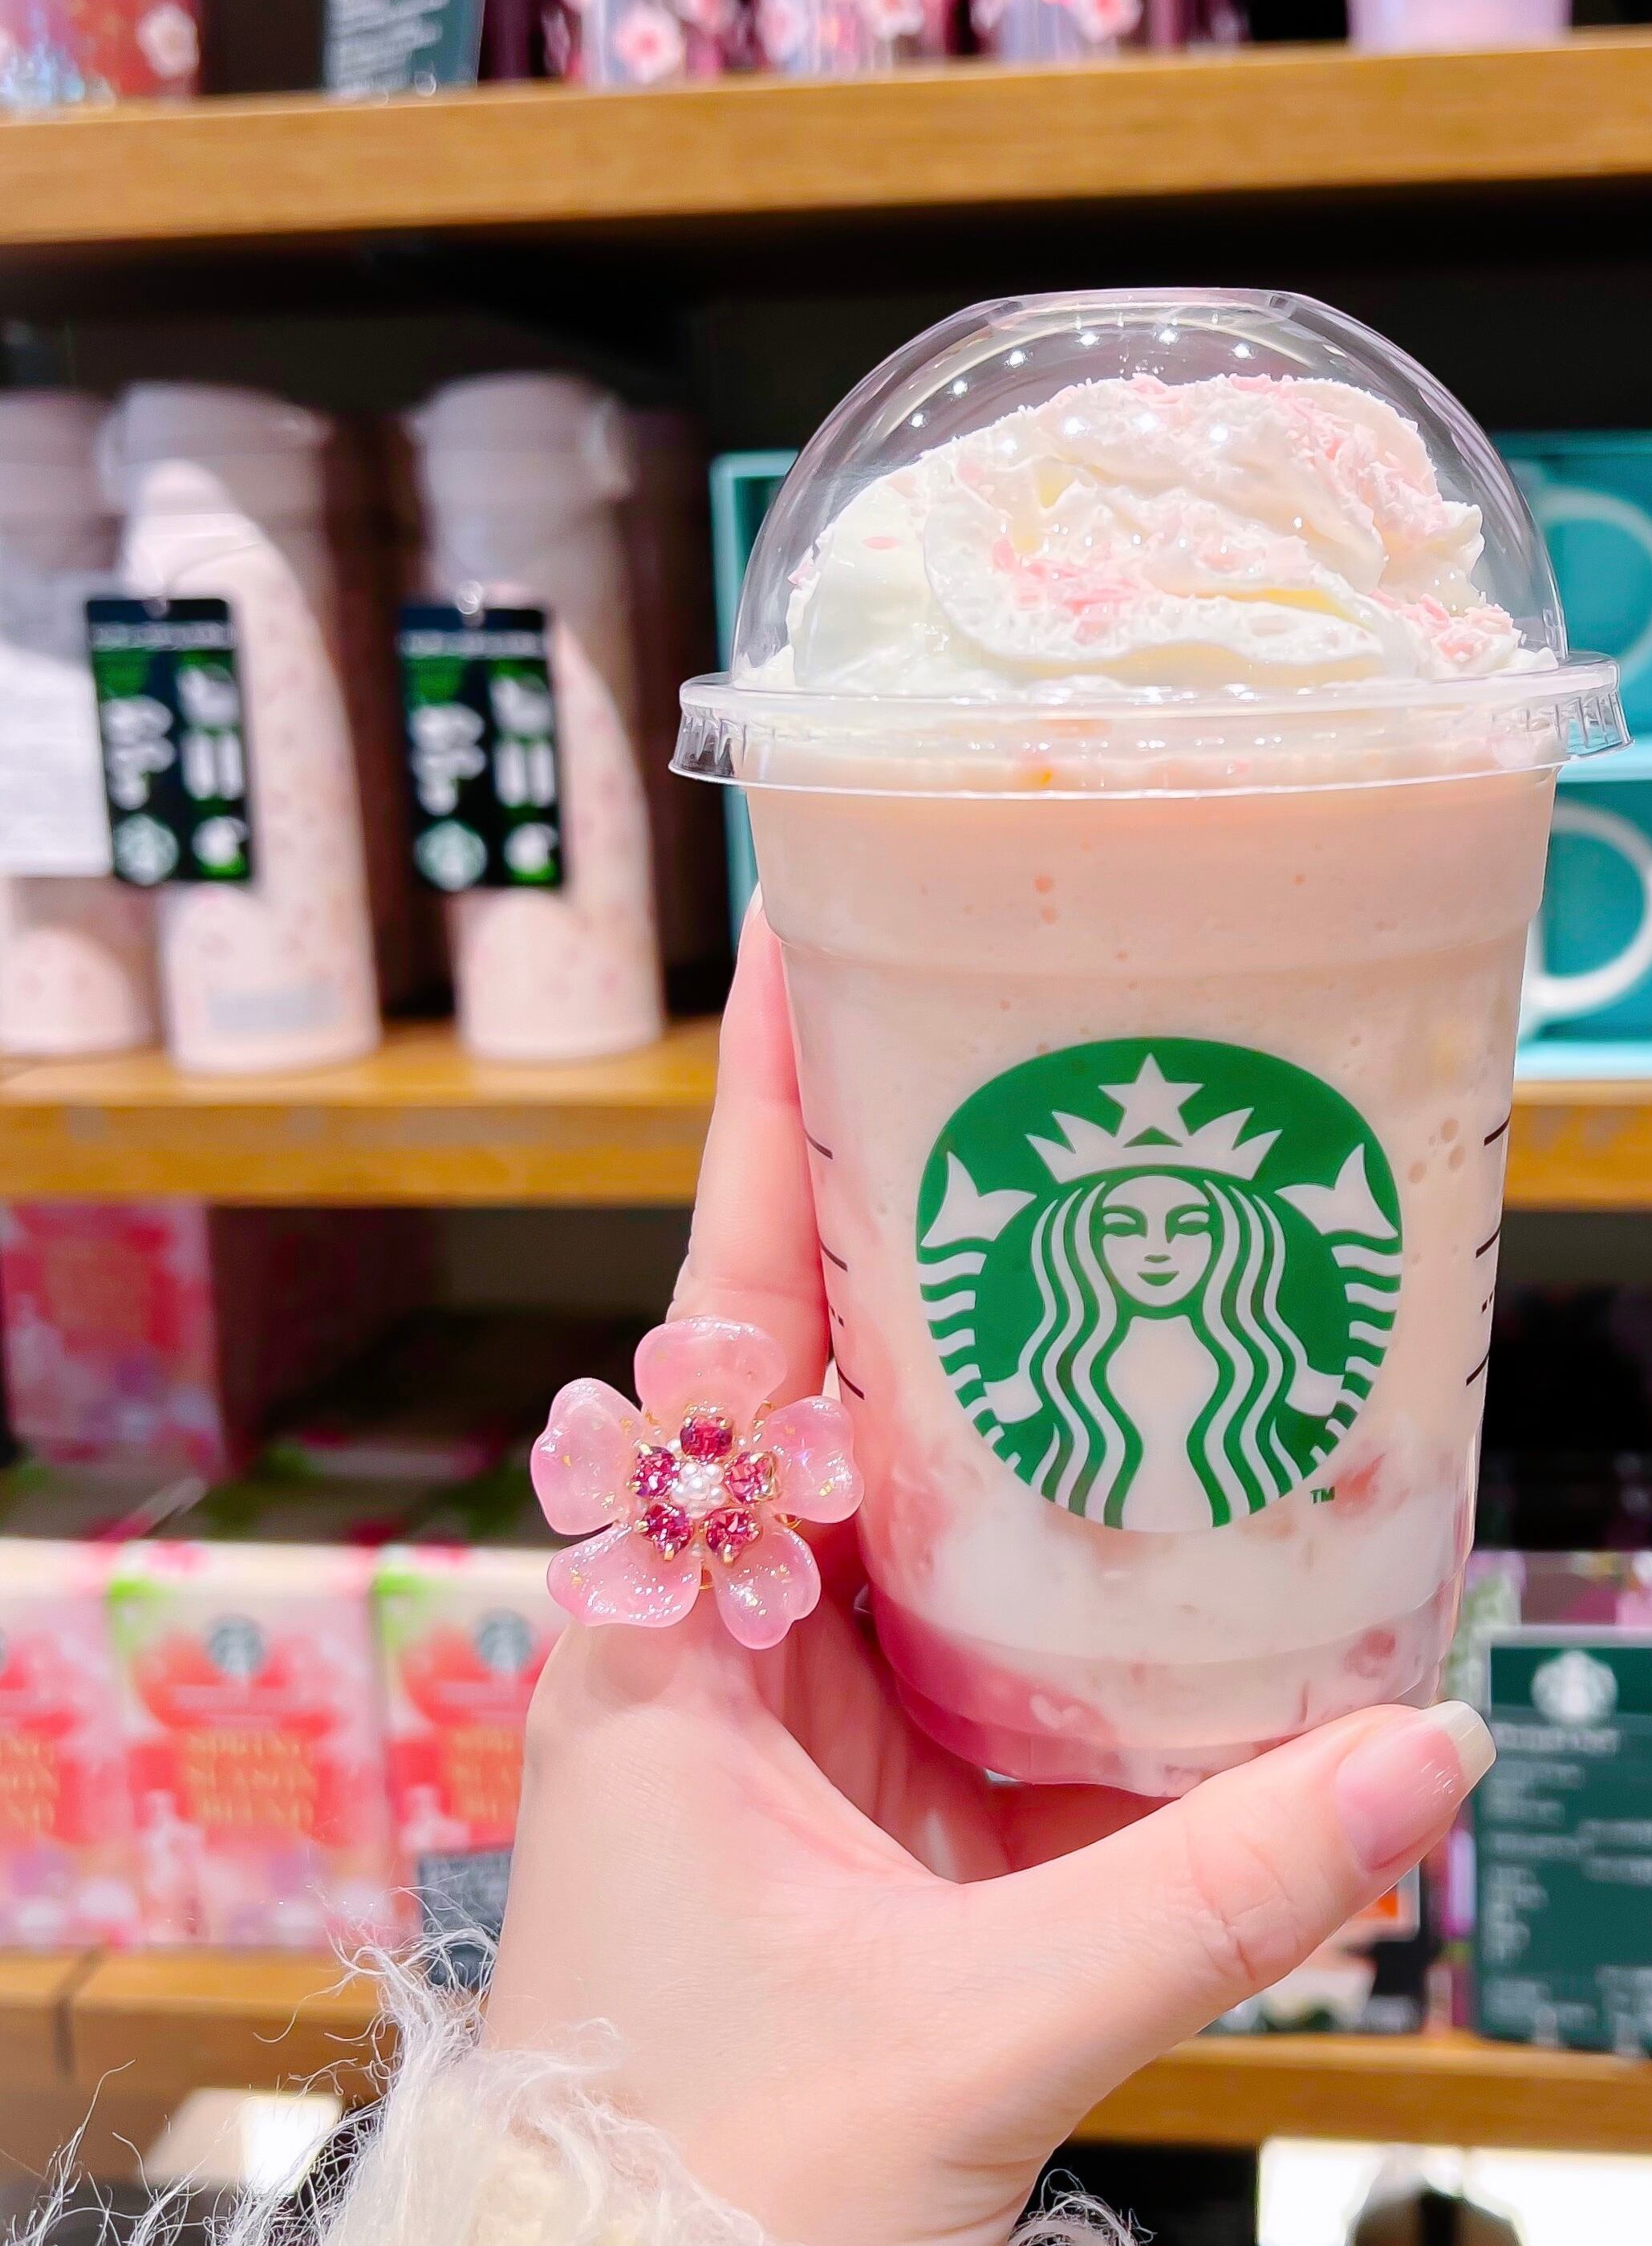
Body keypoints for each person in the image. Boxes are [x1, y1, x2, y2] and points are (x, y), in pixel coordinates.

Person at [21, 912, 1494, 2246]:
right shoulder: (1062, 1385)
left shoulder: (1254, 1384)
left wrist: (572, 2202)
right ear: (1067, 1245)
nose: (1156, 1250)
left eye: (1188, 1223)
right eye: (1121, 1220)